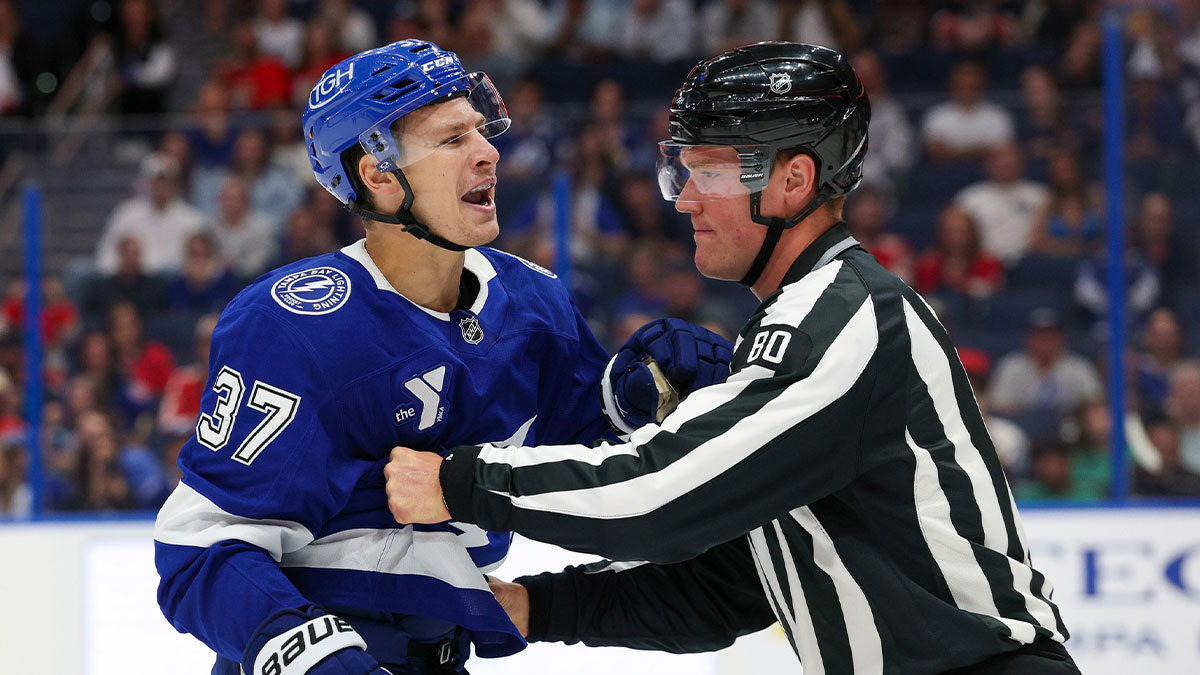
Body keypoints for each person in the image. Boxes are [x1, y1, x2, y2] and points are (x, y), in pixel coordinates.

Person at [385, 42, 1081, 674]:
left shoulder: (843, 315)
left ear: (794, 179)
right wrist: (535, 607)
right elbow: (734, 588)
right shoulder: (817, 314)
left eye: (709, 173)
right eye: (681, 172)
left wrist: (461, 480)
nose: (685, 200)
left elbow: (661, 494)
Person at [152, 39, 726, 675]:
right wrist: (315, 658)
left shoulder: (532, 302)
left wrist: (640, 400)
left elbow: (589, 462)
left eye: (480, 130)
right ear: (377, 174)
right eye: (453, 139)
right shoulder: (290, 325)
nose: (489, 152)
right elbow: (199, 551)